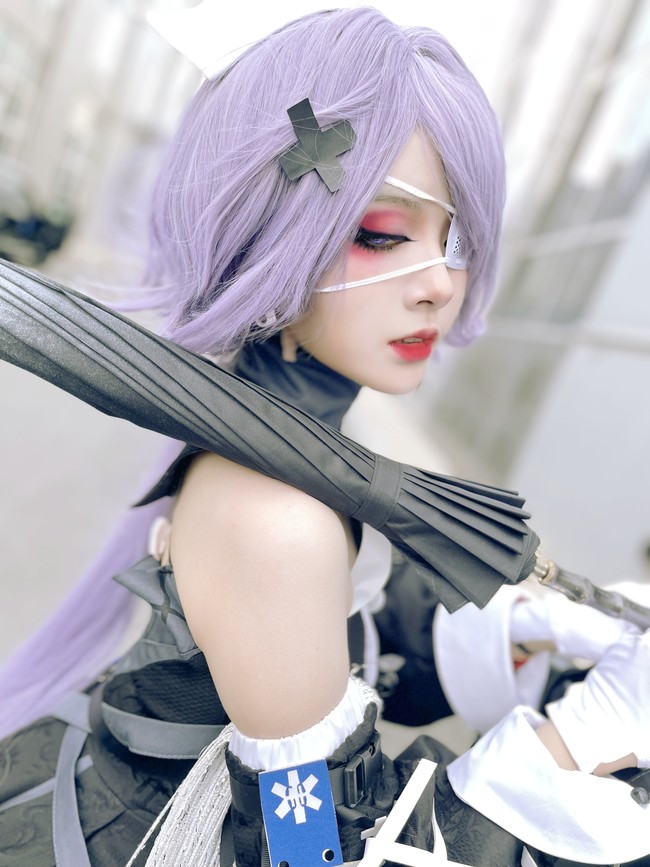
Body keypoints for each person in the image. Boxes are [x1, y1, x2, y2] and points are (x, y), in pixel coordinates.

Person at [0, 8, 648, 867]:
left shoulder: (289, 438)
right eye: (382, 234)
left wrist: (527, 628)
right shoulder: (277, 513)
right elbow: (310, 852)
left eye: (457, 238)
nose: (439, 283)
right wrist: (583, 736)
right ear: (273, 228)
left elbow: (337, 619)